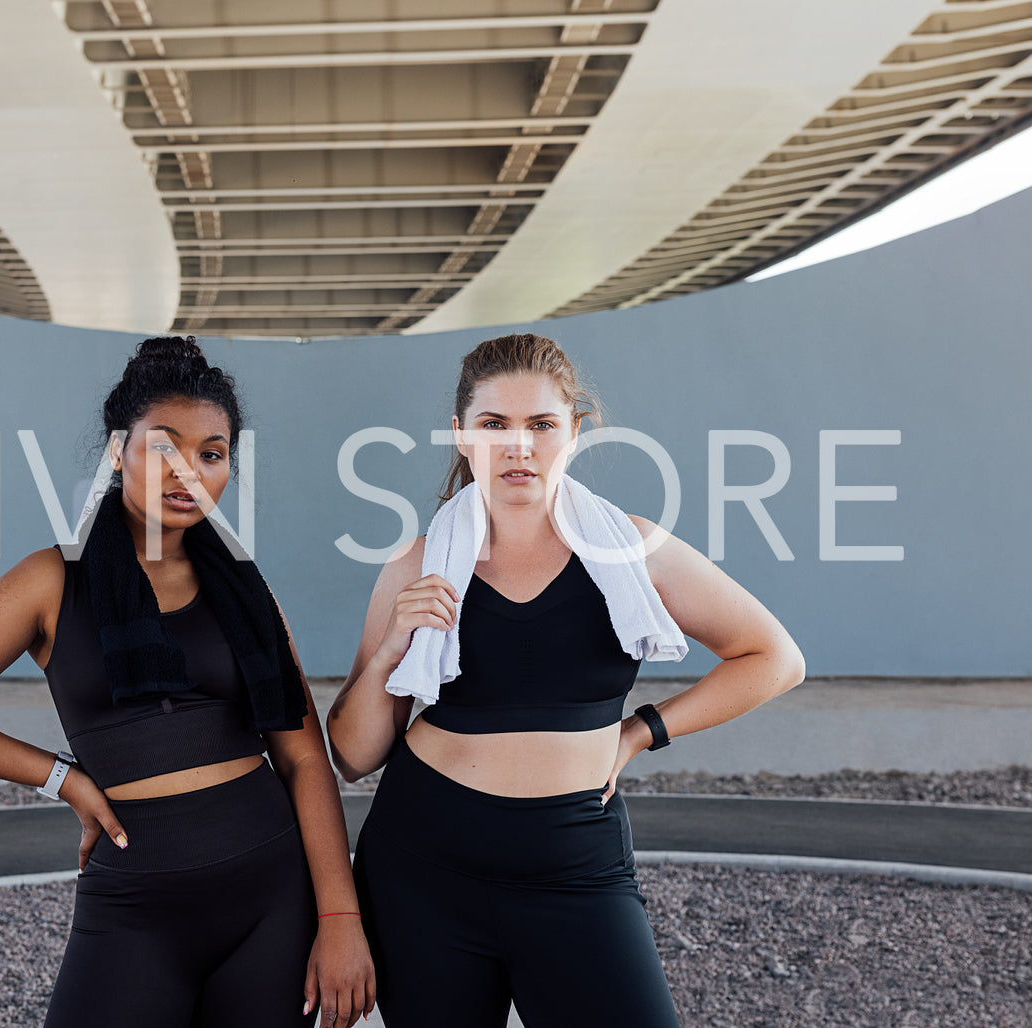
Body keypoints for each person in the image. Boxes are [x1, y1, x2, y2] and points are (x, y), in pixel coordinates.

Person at [0, 336, 375, 1028]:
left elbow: (300, 756)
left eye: (211, 453)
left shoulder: (242, 586)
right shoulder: (52, 581)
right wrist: (65, 779)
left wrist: (340, 918)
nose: (189, 472)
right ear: (118, 451)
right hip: (135, 903)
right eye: (163, 447)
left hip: (269, 893)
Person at [326, 332, 806, 1028]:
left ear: (573, 433)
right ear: (461, 434)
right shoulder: (418, 564)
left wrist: (642, 731)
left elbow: (773, 657)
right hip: (423, 867)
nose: (517, 447)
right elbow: (354, 753)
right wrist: (391, 650)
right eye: (493, 425)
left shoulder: (631, 549)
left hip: (574, 864)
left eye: (540, 425)